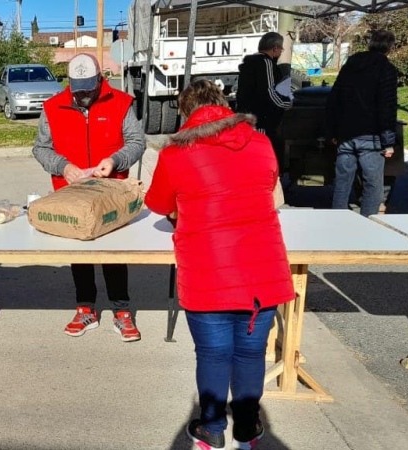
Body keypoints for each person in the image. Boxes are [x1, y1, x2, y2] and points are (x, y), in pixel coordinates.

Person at [145, 80, 294, 450]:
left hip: (207, 268)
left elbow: (158, 203)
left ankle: (212, 428)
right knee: (250, 353)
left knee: (213, 354)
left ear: (186, 112)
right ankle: (247, 428)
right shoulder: (261, 142)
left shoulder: (176, 153)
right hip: (262, 267)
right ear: (225, 106)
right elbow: (268, 186)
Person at [31, 53, 146, 342]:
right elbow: (41, 148)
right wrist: (63, 167)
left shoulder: (120, 102)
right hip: (71, 193)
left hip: (111, 192)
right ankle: (86, 308)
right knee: (79, 253)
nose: (84, 95)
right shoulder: (52, 106)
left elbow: (137, 141)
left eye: (89, 88)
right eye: (78, 89)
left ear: (99, 79)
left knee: (114, 252)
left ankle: (121, 310)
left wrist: (116, 160)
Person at [326, 30, 398, 217]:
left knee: (342, 183)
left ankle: (337, 219)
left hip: (345, 133)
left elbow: (335, 98)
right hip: (371, 135)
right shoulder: (386, 68)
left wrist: (331, 131)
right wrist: (388, 141)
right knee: (373, 185)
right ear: (390, 47)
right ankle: (367, 223)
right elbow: (387, 106)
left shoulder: (350, 64)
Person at [236, 31, 292, 160]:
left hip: (247, 117)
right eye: (281, 49)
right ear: (275, 48)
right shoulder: (265, 63)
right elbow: (269, 91)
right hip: (261, 119)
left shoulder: (249, 65)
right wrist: (286, 103)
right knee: (264, 154)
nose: (281, 52)